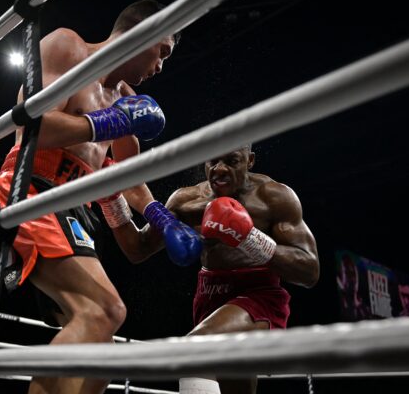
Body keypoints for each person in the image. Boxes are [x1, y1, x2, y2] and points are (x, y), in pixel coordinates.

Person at [0, 0, 191, 394]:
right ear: (140, 34)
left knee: (101, 348)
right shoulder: (69, 47)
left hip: (75, 207)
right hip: (31, 187)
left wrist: (160, 217)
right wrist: (102, 123)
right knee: (106, 310)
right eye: (162, 51)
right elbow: (35, 127)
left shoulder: (125, 98)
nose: (161, 66)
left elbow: (129, 177)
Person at [97, 146, 320, 394]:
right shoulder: (185, 201)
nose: (220, 169)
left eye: (231, 161)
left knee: (194, 348)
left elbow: (309, 270)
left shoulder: (273, 197)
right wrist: (112, 199)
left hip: (258, 296)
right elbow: (137, 249)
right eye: (213, 161)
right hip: (208, 296)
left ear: (250, 161)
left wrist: (248, 238)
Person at [336, 252, 371, 321]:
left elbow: (356, 284)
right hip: (347, 293)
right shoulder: (342, 275)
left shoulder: (353, 271)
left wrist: (355, 298)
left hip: (351, 294)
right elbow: (343, 288)